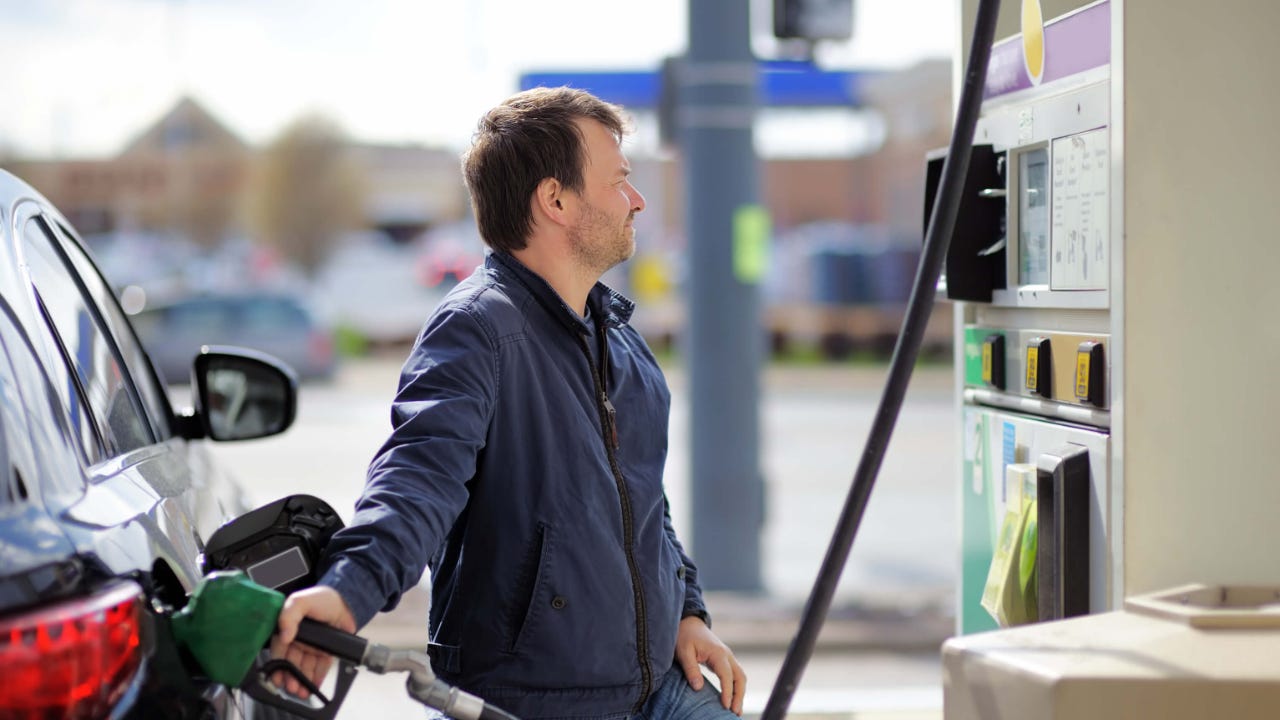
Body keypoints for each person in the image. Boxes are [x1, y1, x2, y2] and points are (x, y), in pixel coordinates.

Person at [271, 87, 746, 720]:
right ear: (555, 199)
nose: (636, 201)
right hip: (533, 703)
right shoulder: (478, 330)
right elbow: (417, 479)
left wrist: (688, 612)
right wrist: (347, 591)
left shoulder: (622, 342)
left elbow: (645, 507)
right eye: (620, 182)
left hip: (658, 686)